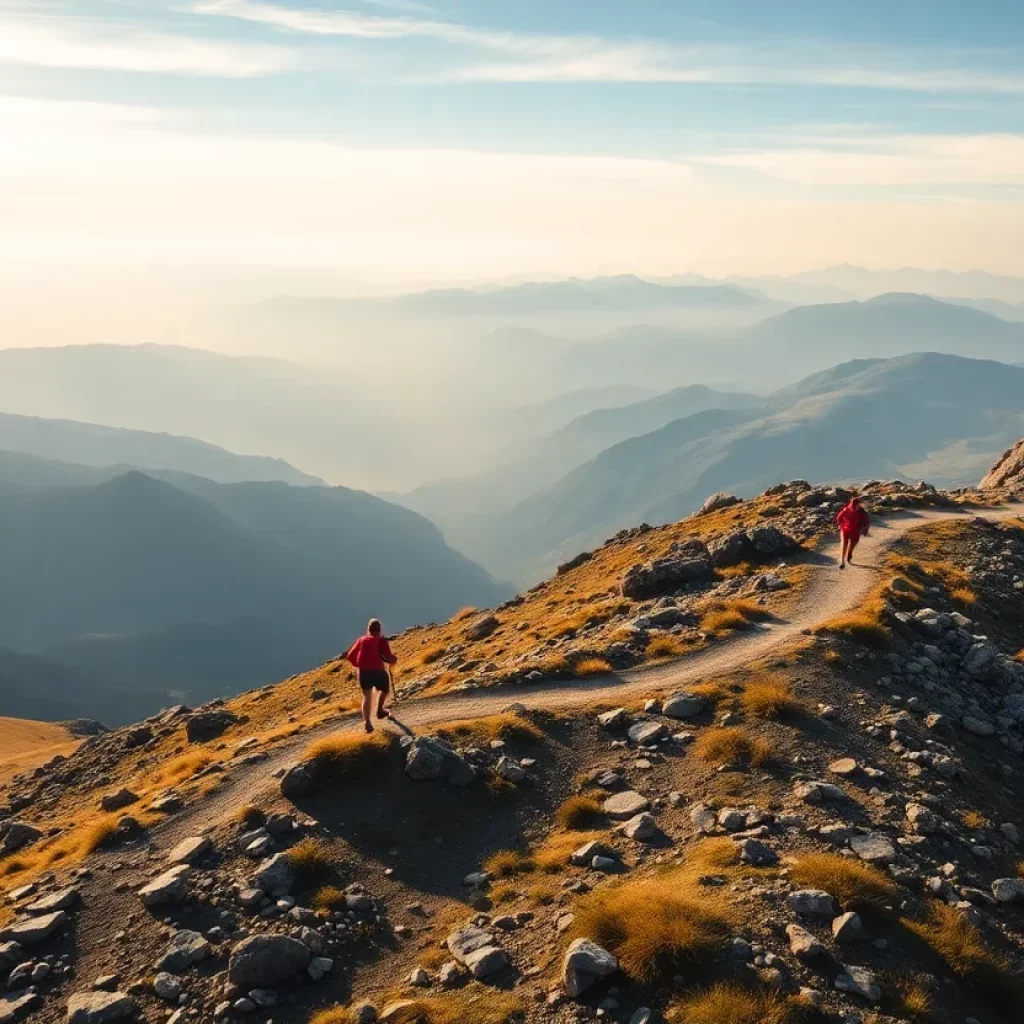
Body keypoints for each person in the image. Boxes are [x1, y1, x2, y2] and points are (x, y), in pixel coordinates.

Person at [345, 619, 398, 733]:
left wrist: (359, 665)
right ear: (380, 629)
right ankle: (380, 710)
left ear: (368, 629)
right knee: (384, 689)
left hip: (364, 673)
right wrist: (394, 660)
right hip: (378, 671)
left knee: (367, 697)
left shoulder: (361, 640)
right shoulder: (381, 640)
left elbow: (350, 656)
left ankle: (367, 723)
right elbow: (388, 657)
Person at [836, 496, 871, 569]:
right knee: (845, 544)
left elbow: (867, 522)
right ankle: (842, 561)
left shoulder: (860, 511)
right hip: (847, 530)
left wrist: (865, 530)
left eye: (855, 504)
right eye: (853, 504)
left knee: (849, 545)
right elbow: (839, 518)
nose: (854, 506)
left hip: (853, 530)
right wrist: (839, 524)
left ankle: (848, 555)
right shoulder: (847, 510)